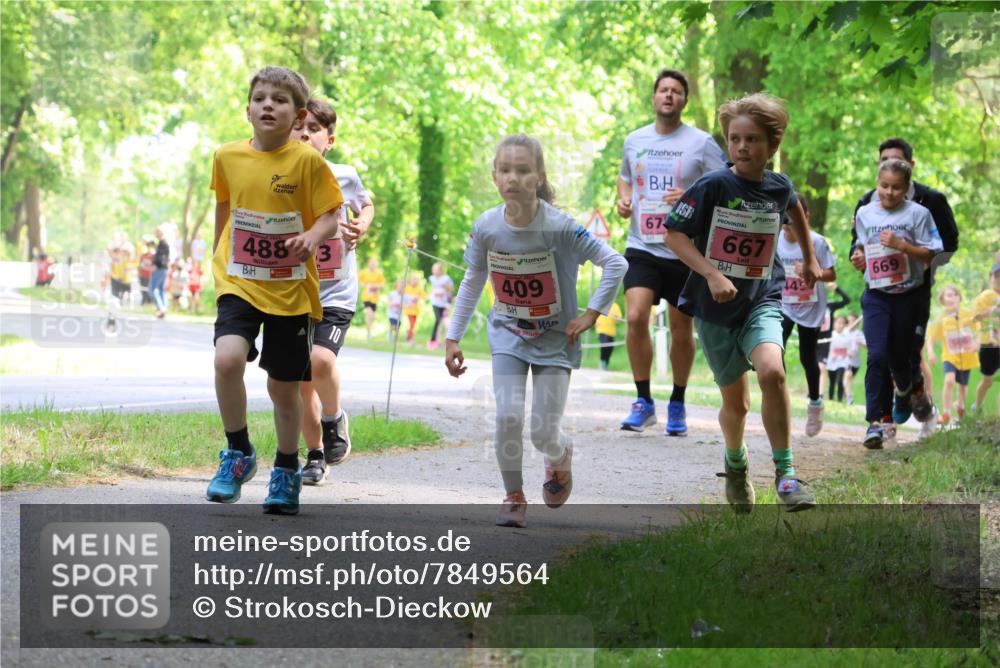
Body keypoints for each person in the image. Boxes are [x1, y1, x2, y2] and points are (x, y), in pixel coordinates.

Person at [445, 134, 627, 528]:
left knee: (544, 433)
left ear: (539, 176)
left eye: (523, 170)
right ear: (495, 177)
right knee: (508, 417)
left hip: (556, 340)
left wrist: (592, 314)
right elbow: (473, 279)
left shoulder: (561, 227)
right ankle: (513, 495)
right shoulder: (487, 227)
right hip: (508, 334)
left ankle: (560, 455)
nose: (513, 178)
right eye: (505, 170)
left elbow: (615, 264)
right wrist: (452, 336)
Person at [664, 92, 820, 513]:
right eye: (735, 139)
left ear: (772, 146)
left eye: (752, 140)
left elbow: (796, 210)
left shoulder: (778, 186)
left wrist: (808, 259)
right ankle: (736, 466)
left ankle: (786, 475)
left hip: (761, 298)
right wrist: (712, 273)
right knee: (737, 404)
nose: (742, 148)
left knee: (772, 372)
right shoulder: (713, 184)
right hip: (714, 309)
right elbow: (673, 234)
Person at [204, 66, 344, 515]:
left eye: (280, 100)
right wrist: (216, 259)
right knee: (227, 360)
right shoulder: (227, 156)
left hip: (289, 290)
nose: (268, 105)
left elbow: (329, 216)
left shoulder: (307, 161)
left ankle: (286, 469)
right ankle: (238, 452)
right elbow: (225, 209)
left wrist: (312, 238)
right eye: (260, 98)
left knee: (284, 390)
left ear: (298, 115)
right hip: (239, 280)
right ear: (247, 109)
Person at [616, 68, 727, 436]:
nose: (668, 96)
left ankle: (677, 402)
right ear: (654, 97)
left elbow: (723, 185)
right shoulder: (634, 140)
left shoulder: (701, 142)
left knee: (682, 328)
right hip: (642, 245)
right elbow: (626, 176)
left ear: (684, 100)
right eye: (663, 90)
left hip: (684, 248)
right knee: (635, 317)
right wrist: (624, 197)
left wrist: (692, 195)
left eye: (676, 91)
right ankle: (643, 400)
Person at [292, 97, 375, 485]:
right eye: (298, 128)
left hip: (336, 291)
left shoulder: (344, 175)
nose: (304, 134)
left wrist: (362, 223)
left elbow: (367, 204)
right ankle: (313, 456)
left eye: (314, 130)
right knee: (300, 377)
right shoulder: (278, 176)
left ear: (330, 140)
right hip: (292, 292)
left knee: (320, 362)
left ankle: (334, 416)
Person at [852, 138, 959, 428]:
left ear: (909, 168)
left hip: (915, 290)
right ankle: (879, 420)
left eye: (896, 184)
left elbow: (945, 246)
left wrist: (908, 252)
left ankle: (910, 392)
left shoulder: (928, 204)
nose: (889, 190)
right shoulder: (866, 206)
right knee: (878, 354)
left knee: (906, 353)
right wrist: (859, 257)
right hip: (877, 291)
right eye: (884, 164)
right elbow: (858, 244)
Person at [777, 194, 836, 436]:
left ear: (806, 217)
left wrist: (813, 272)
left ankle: (815, 402)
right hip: (783, 303)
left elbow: (832, 275)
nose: (787, 224)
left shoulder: (817, 242)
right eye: (784, 218)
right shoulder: (775, 240)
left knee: (806, 357)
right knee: (773, 351)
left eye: (792, 218)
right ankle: (778, 399)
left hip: (810, 306)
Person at [926, 284, 980, 426]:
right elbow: (930, 338)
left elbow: (981, 329)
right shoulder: (940, 319)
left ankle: (960, 407)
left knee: (962, 386)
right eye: (948, 295)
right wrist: (931, 352)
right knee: (949, 381)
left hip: (967, 357)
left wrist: (976, 343)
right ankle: (947, 413)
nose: (952, 298)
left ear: (959, 298)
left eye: (955, 295)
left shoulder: (967, 314)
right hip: (949, 357)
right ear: (942, 300)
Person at [971, 262, 1000, 413]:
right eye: (997, 276)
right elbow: (975, 318)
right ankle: (977, 406)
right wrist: (991, 311)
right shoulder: (986, 296)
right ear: (991, 278)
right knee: (987, 381)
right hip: (989, 344)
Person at [816, 282, 851, 398]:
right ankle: (811, 392)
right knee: (811, 367)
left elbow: (847, 300)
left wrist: (837, 289)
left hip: (825, 341)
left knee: (821, 367)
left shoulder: (830, 306)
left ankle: (820, 394)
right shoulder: (811, 305)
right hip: (811, 339)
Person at [825, 316, 853, 402]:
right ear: (834, 324)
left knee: (840, 380)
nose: (840, 325)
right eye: (838, 322)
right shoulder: (831, 334)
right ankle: (830, 399)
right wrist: (831, 354)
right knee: (832, 382)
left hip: (842, 361)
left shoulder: (847, 335)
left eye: (843, 323)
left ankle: (839, 400)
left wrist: (847, 353)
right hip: (832, 361)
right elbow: (826, 348)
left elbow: (849, 348)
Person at [357, 258, 386, 340]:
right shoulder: (364, 272)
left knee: (372, 317)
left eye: (374, 263)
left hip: (375, 298)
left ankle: (369, 332)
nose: (373, 265)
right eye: (371, 263)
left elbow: (383, 284)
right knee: (370, 315)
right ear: (368, 264)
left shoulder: (379, 273)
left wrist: (376, 286)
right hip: (366, 297)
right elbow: (358, 280)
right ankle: (368, 333)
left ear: (376, 265)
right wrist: (364, 285)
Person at [427, 262, 454, 349]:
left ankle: (441, 341)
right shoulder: (432, 278)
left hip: (444, 303)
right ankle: (433, 340)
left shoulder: (446, 279)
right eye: (433, 269)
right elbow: (433, 288)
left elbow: (451, 289)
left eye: (435, 269)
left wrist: (445, 286)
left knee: (444, 322)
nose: (433, 271)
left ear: (440, 270)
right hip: (435, 302)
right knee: (438, 320)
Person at [844, 313, 866, 405]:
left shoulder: (859, 333)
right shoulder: (844, 331)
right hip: (844, 360)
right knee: (848, 375)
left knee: (849, 379)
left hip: (855, 362)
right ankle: (849, 397)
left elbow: (867, 345)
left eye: (853, 321)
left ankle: (844, 396)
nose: (851, 323)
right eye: (849, 321)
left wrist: (860, 343)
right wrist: (861, 317)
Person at [595, 301, 623, 370]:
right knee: (605, 346)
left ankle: (606, 363)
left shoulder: (615, 306)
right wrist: (595, 320)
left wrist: (616, 317)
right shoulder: (601, 303)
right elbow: (594, 313)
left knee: (610, 349)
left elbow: (619, 318)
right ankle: (602, 362)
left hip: (611, 332)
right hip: (601, 330)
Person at [150, 226, 170, 319]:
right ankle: (163, 309)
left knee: (153, 289)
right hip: (164, 269)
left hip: (160, 269)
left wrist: (156, 265)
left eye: (157, 231)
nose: (155, 233)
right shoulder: (163, 243)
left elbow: (162, 257)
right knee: (161, 290)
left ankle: (161, 308)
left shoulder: (163, 243)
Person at [403, 273, 426, 344]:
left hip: (416, 310)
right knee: (411, 324)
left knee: (413, 325)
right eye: (412, 280)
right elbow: (403, 298)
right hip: (408, 309)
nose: (413, 282)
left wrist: (418, 297)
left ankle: (408, 334)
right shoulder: (406, 288)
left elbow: (424, 297)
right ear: (409, 281)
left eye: (415, 280)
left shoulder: (419, 288)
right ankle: (411, 339)